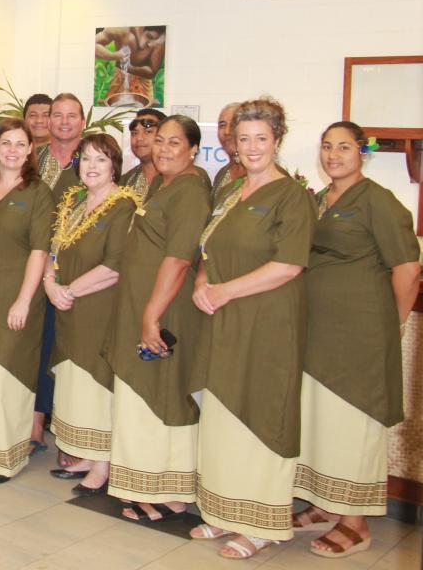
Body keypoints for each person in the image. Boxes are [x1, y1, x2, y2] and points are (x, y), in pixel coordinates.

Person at [190, 98, 316, 559]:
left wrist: (224, 291)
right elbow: (208, 250)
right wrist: (205, 282)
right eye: (244, 140)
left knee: (260, 416)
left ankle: (261, 525)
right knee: (224, 414)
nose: (252, 147)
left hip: (268, 322)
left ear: (277, 141)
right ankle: (223, 513)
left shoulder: (291, 196)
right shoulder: (230, 194)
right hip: (225, 322)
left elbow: (288, 265)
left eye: (261, 138)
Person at [292, 122, 420, 558]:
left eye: (343, 147)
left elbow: (407, 268)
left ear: (360, 153)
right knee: (318, 419)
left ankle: (356, 522)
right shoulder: (317, 200)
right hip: (315, 335)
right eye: (327, 147)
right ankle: (324, 504)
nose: (333, 155)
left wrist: (394, 322)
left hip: (360, 335)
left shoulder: (378, 203)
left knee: (352, 425)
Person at [104, 116, 210, 521]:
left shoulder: (190, 190)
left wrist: (151, 315)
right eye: (159, 140)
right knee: (140, 392)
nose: (163, 148)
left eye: (174, 142)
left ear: (194, 149)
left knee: (161, 392)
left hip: (162, 309)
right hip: (140, 305)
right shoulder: (163, 184)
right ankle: (143, 483)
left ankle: (168, 491)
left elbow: (180, 257)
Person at [45, 134, 138, 495]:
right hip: (68, 308)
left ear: (115, 165)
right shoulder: (75, 201)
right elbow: (53, 252)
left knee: (97, 381)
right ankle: (85, 452)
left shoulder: (124, 205)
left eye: (100, 159)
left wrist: (68, 290)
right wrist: (50, 283)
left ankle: (103, 463)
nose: (92, 167)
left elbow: (115, 266)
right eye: (85, 159)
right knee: (75, 383)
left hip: (100, 308)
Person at [0, 118, 52, 483]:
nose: (13, 150)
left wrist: (23, 300)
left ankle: (7, 457)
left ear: (30, 149)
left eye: (21, 144)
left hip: (17, 296)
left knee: (8, 374)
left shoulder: (38, 192)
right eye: (7, 143)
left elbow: (39, 251)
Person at [32, 92, 85, 457]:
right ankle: (35, 425)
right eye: (57, 115)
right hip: (33, 266)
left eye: (71, 115)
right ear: (47, 121)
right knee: (36, 345)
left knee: (69, 349)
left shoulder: (92, 158)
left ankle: (70, 435)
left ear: (82, 121)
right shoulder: (34, 159)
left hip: (77, 270)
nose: (64, 121)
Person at [95, 26, 165, 106]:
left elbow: (152, 72)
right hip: (118, 78)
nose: (150, 44)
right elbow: (94, 45)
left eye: (154, 40)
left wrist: (128, 67)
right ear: (140, 29)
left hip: (143, 83)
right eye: (149, 36)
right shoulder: (120, 30)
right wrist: (114, 56)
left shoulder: (161, 40)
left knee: (145, 111)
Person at [119, 108, 164, 197]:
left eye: (148, 132)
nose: (139, 138)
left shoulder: (183, 178)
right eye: (134, 133)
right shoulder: (124, 183)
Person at [210, 103, 244, 205]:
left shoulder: (265, 175)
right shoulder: (223, 173)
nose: (227, 132)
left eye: (234, 124)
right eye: (222, 125)